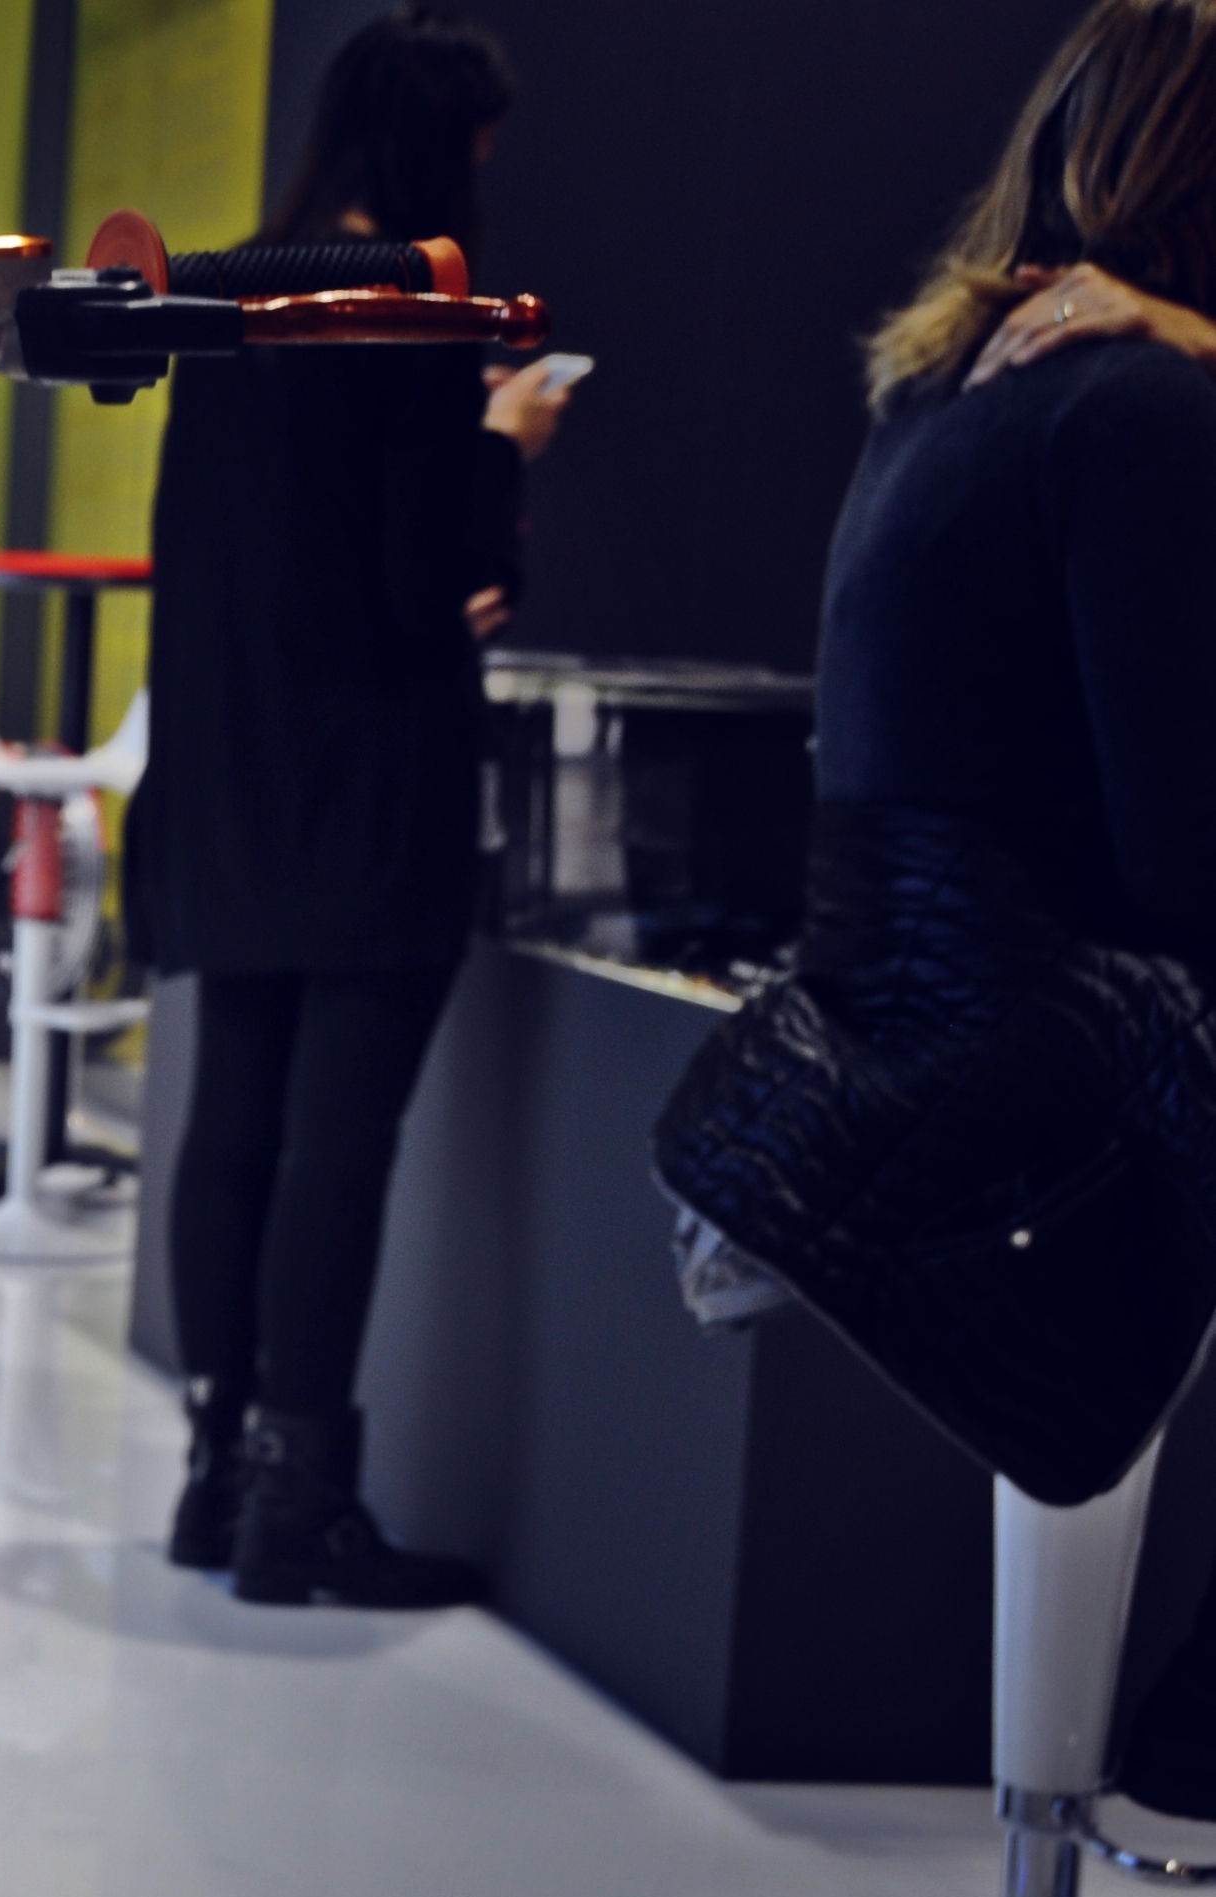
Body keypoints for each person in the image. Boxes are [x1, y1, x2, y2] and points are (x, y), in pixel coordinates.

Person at [652, 0, 1216, 1806]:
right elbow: (1177, 858)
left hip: (882, 1025)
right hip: (1024, 1059)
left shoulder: (942, 391)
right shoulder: (1139, 410)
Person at [127, 1, 566, 1606]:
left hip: (227, 772)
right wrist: (500, 445)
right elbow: (413, 579)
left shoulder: (234, 297)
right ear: (443, 142)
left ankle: (212, 1478)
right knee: (336, 1145)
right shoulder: (415, 313)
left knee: (231, 1122)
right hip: (369, 782)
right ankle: (297, 1504)